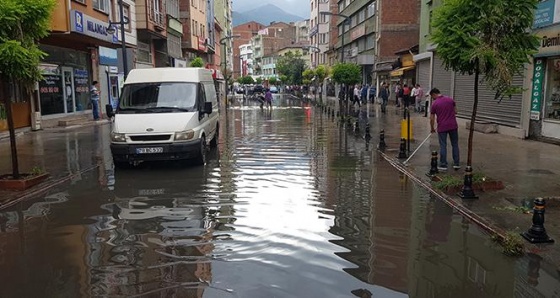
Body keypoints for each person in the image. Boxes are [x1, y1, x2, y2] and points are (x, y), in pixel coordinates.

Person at [429, 88, 460, 171]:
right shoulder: (450, 100)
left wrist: (432, 128)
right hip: (453, 125)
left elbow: (431, 118)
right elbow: (456, 111)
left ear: (434, 94)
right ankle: (456, 163)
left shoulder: (435, 104)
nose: (433, 98)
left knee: (443, 145)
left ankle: (443, 164)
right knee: (455, 144)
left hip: (442, 127)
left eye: (432, 97)